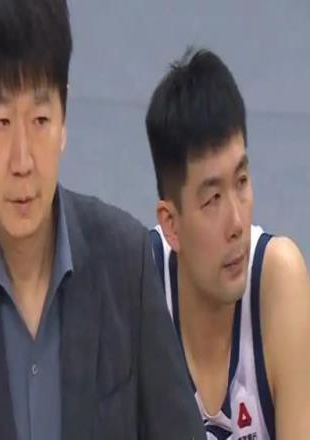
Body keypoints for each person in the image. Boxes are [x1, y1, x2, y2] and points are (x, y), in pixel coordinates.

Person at [0, 1, 205, 439]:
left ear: (64, 115)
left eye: (39, 119)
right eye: (1, 121)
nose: (22, 161)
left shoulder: (127, 266)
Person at [146, 48, 310, 439]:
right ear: (171, 224)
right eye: (212, 199)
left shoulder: (279, 281)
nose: (237, 223)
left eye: (241, 182)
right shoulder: (140, 290)